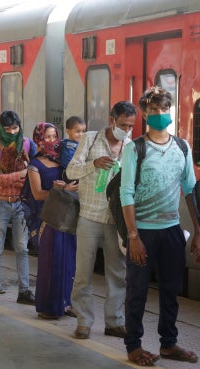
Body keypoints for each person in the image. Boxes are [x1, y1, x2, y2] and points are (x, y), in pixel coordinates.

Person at [119, 87, 200, 366]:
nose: (159, 114)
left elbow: (189, 188)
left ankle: (168, 343)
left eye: (163, 109)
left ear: (171, 111)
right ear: (144, 114)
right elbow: (126, 193)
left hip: (171, 230)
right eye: (153, 110)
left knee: (171, 290)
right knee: (137, 291)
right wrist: (133, 236)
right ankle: (134, 345)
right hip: (142, 231)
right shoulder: (135, 148)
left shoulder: (182, 146)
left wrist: (199, 232)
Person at [65, 101, 136, 340]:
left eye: (130, 126)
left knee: (117, 272)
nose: (126, 129)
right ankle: (84, 321)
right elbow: (70, 171)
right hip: (90, 215)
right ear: (112, 119)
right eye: (123, 124)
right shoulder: (90, 139)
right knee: (84, 271)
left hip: (117, 218)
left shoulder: (131, 146)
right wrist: (93, 164)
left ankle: (114, 321)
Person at [0, 110, 37, 307]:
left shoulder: (29, 145)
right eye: (7, 129)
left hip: (21, 203)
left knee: (22, 248)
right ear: (0, 128)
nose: (12, 132)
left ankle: (24, 291)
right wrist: (20, 174)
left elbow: (32, 172)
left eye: (15, 128)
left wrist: (13, 176)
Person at [28, 122, 78, 319]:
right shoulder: (35, 165)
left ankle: (67, 303)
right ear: (38, 140)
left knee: (70, 261)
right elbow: (38, 194)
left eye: (53, 136)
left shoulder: (65, 161)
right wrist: (61, 189)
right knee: (52, 261)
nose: (51, 141)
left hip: (68, 216)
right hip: (48, 219)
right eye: (46, 137)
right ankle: (49, 307)